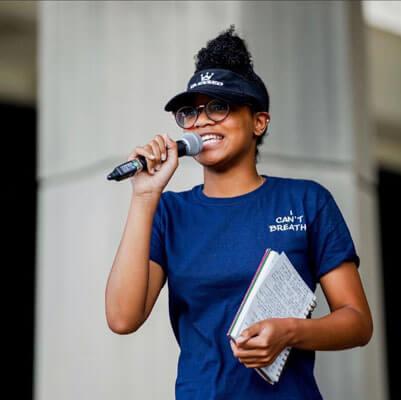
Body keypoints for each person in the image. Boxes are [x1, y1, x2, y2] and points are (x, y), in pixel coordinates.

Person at [105, 25, 373, 399]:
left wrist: (290, 331)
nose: (201, 120)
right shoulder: (169, 211)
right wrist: (144, 195)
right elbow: (122, 318)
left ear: (259, 121)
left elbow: (358, 322)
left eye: (220, 106)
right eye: (190, 112)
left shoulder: (307, 201)